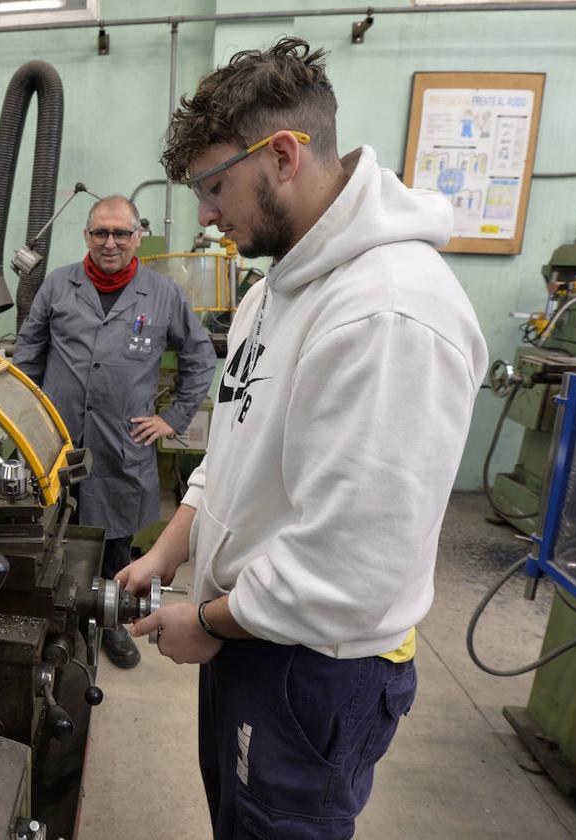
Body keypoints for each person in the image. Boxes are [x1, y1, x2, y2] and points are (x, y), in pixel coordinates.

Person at [116, 38, 488, 838]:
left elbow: (351, 568)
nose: (206, 215)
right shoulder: (273, 292)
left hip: (313, 668)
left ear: (282, 154)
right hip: (251, 632)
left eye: (215, 187)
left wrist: (208, 623)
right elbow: (232, 458)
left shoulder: (388, 314)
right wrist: (166, 554)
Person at [13, 195, 215, 668]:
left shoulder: (161, 294)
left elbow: (200, 357)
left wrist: (174, 418)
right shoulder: (58, 286)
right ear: (86, 236)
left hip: (121, 446)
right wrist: (23, 420)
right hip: (56, 440)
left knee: (116, 542)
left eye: (120, 233)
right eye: (100, 233)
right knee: (50, 534)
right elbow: (27, 355)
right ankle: (59, 619)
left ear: (136, 236)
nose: (110, 243)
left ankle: (112, 626)